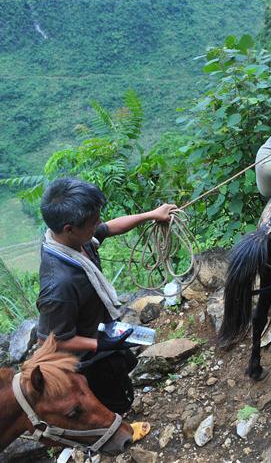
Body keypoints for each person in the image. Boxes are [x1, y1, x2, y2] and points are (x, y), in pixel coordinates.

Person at [37, 177, 177, 422]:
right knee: (111, 405)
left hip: (101, 336)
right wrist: (99, 344)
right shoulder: (59, 286)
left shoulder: (75, 241)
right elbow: (49, 341)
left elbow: (110, 228)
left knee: (121, 378)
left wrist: (152, 215)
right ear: (69, 228)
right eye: (93, 222)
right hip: (89, 363)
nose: (98, 224)